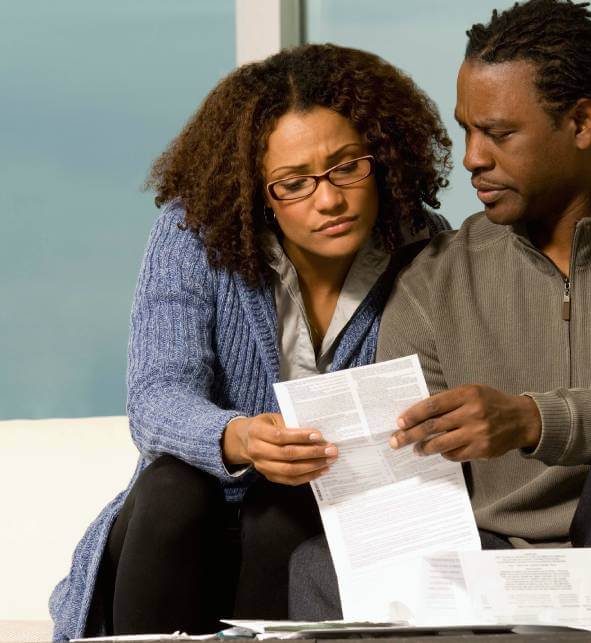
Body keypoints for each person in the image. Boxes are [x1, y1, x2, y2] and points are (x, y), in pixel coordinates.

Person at [288, 0, 591, 620]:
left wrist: (531, 420)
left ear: (581, 122)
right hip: (513, 565)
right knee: (319, 564)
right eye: (467, 129)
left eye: (498, 134)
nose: (472, 157)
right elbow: (409, 473)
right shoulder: (434, 276)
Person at [48, 43, 451, 640]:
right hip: (182, 526)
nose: (329, 199)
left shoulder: (424, 246)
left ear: (383, 158)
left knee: (285, 507)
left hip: (319, 523)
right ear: (256, 191)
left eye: (347, 167)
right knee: (173, 484)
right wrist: (236, 438)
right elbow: (156, 398)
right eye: (292, 183)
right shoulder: (194, 238)